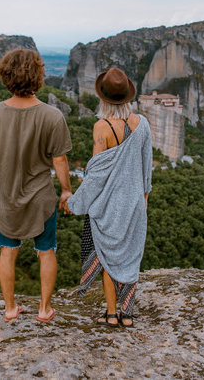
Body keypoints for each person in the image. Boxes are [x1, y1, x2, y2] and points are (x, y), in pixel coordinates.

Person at [0, 48, 73, 323]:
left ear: (5, 75)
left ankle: (10, 308)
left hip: (7, 197)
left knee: (7, 251)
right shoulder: (52, 116)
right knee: (46, 252)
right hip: (41, 198)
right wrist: (67, 190)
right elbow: (59, 160)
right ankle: (44, 310)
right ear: (38, 76)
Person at [67, 67, 152, 328]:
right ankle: (128, 315)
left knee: (106, 257)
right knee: (130, 256)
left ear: (103, 98)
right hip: (136, 203)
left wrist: (74, 203)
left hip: (109, 205)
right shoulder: (143, 124)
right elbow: (146, 169)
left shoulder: (101, 128)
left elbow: (95, 175)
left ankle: (112, 314)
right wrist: (144, 201)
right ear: (128, 96)